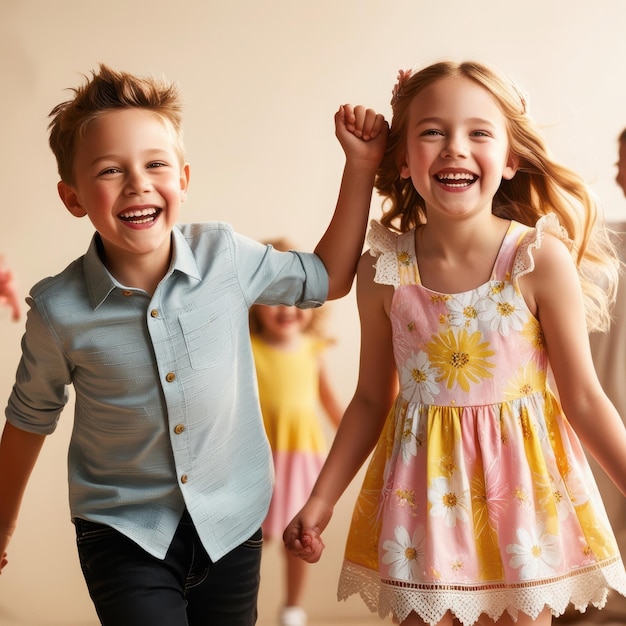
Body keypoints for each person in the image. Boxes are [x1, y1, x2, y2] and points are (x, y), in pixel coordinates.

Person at [0, 64, 387, 626]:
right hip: (122, 533)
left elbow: (327, 277)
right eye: (110, 170)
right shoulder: (59, 310)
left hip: (232, 525)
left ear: (182, 178)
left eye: (155, 164)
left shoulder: (224, 256)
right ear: (73, 196)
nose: (137, 183)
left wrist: (361, 166)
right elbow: (29, 417)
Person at [284, 60, 626, 626]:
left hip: (525, 501)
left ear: (511, 159)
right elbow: (371, 399)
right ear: (403, 156)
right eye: (432, 131)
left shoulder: (537, 260)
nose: (453, 148)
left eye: (478, 132)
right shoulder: (383, 269)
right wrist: (320, 503)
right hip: (423, 503)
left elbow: (584, 398)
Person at [250, 237, 343, 626]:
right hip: (260, 459)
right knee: (252, 540)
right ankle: (239, 607)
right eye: (274, 299)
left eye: (294, 299)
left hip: (303, 458)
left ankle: (292, 607)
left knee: (298, 537)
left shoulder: (311, 348)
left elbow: (330, 401)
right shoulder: (249, 348)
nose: (287, 309)